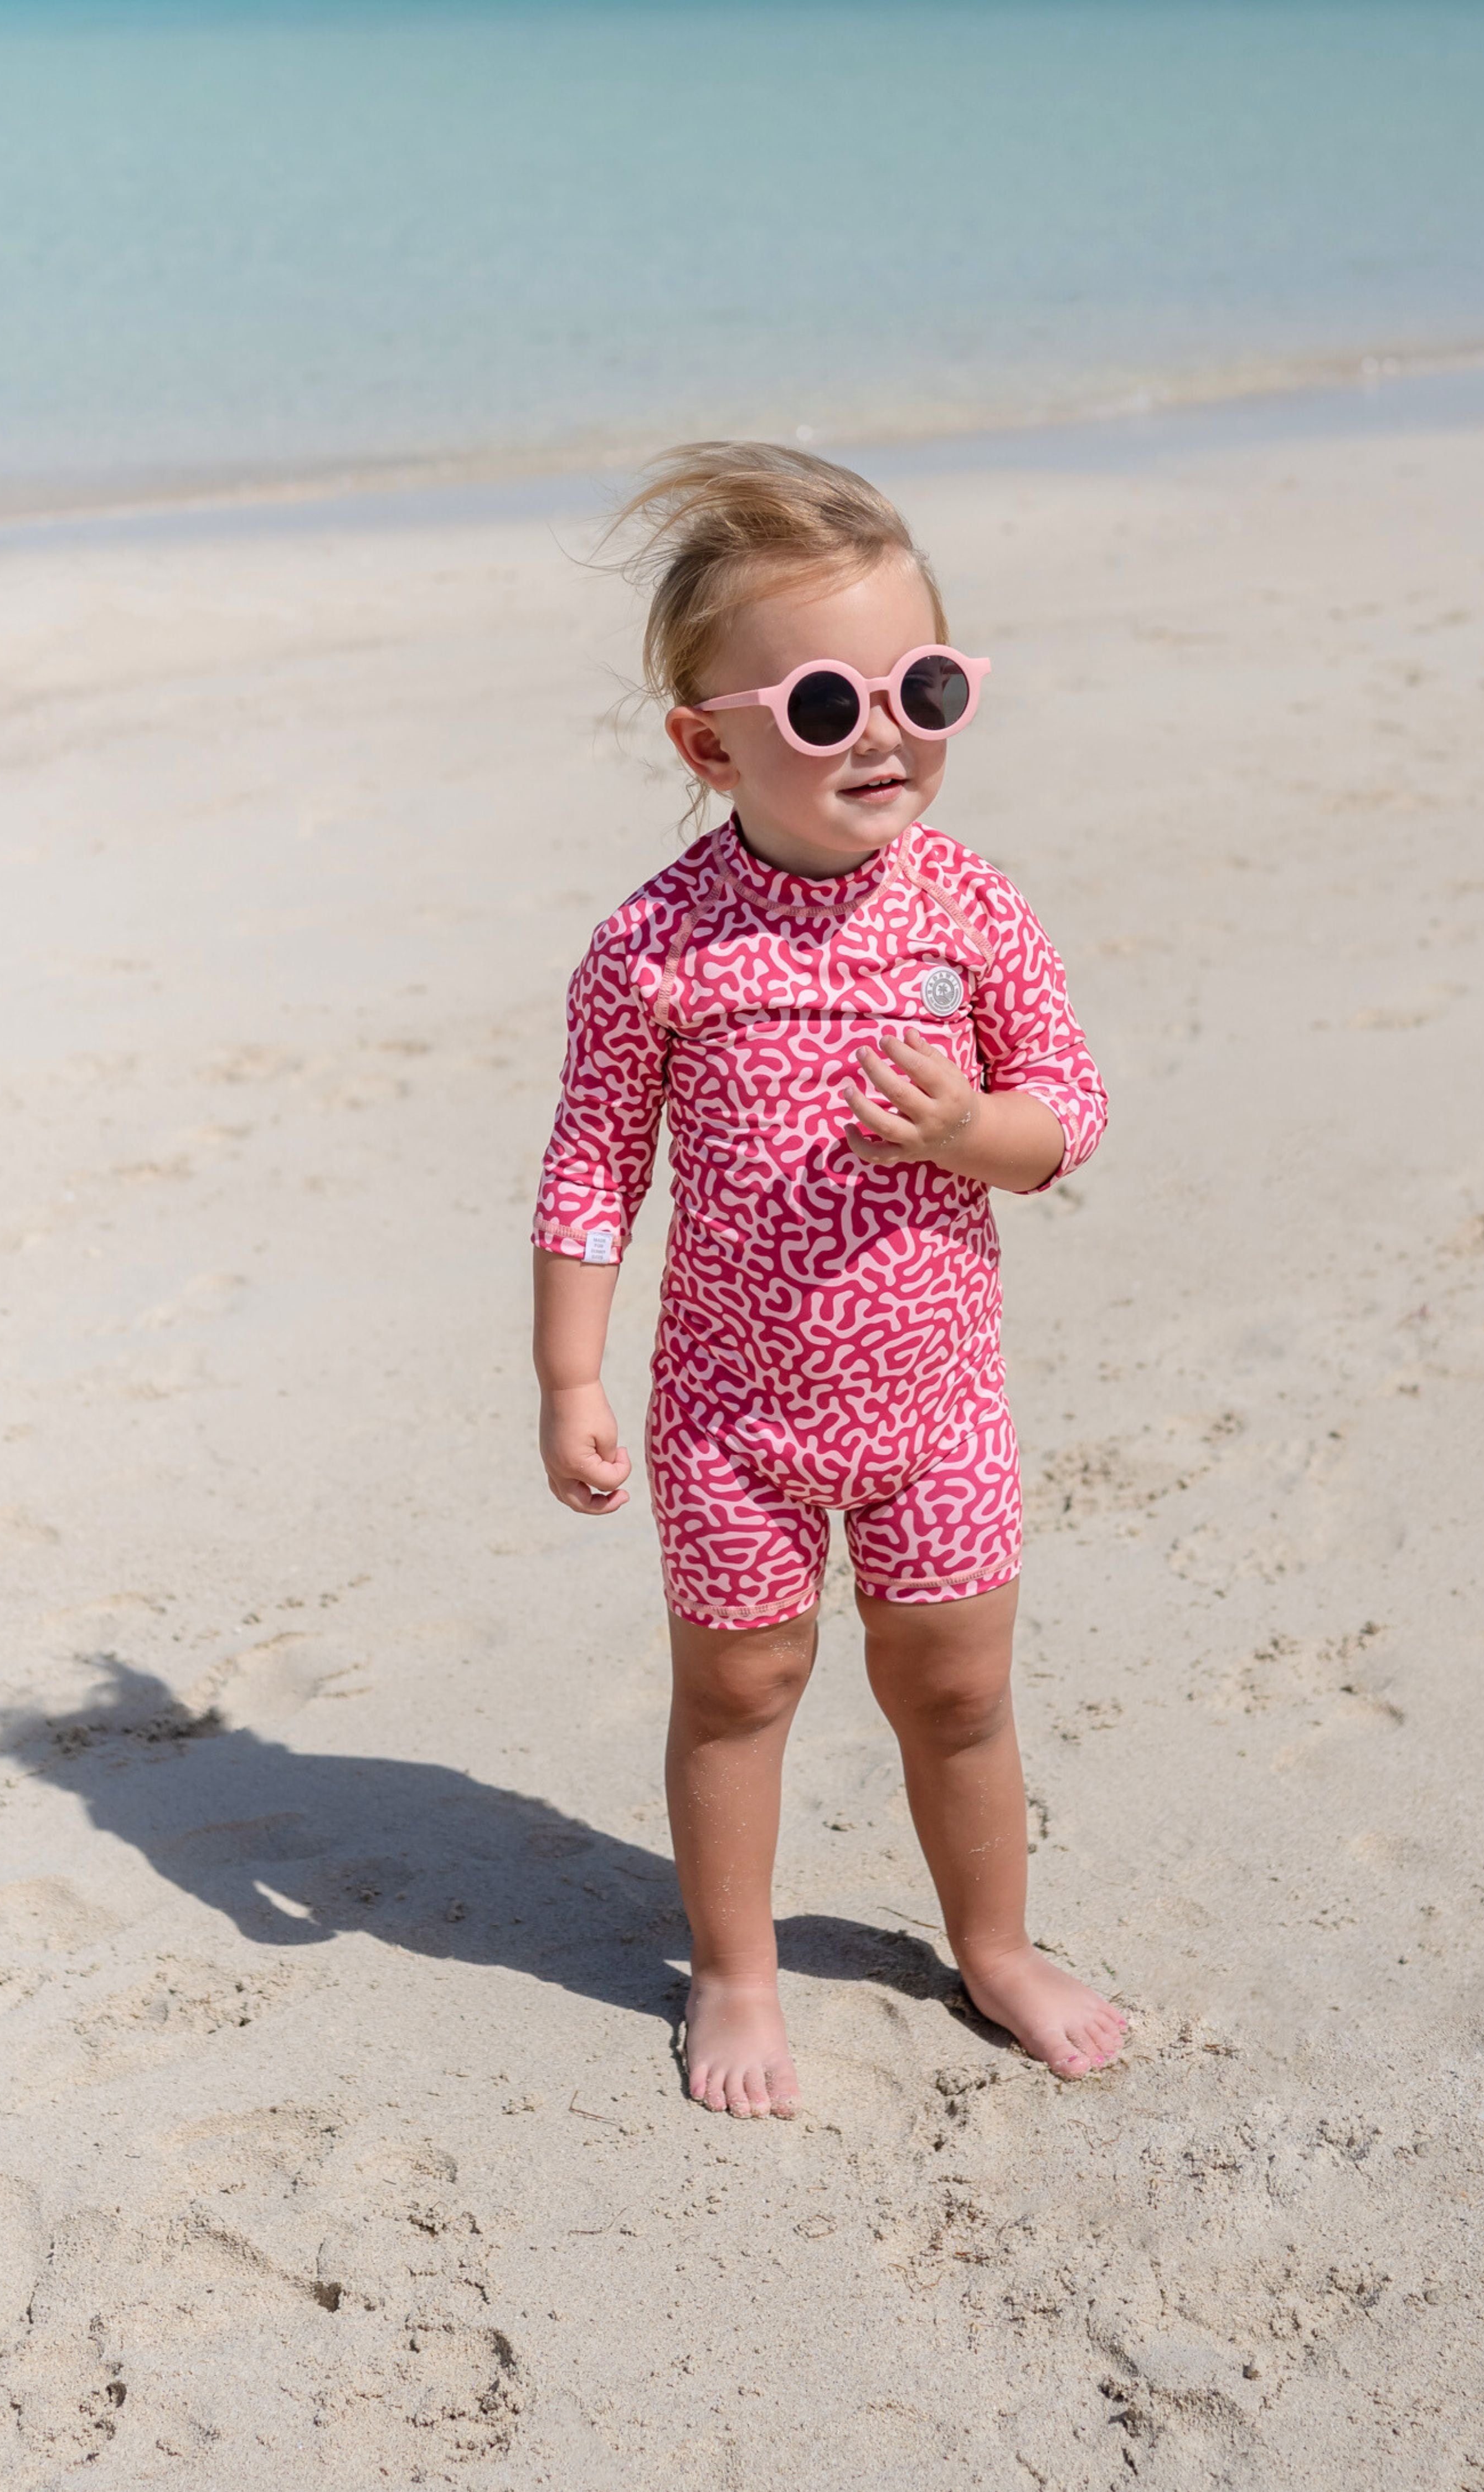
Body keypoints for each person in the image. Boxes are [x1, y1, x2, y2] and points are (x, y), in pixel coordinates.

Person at [532, 442, 1126, 2117]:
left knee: (956, 1688)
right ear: (707, 742)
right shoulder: (655, 948)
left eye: (923, 684)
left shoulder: (972, 908)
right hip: (732, 1414)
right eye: (820, 706)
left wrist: (974, 1130)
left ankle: (994, 1943)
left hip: (937, 1404)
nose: (883, 731)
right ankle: (734, 1969)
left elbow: (1070, 1110)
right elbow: (593, 1171)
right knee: (740, 1688)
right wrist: (571, 1379)